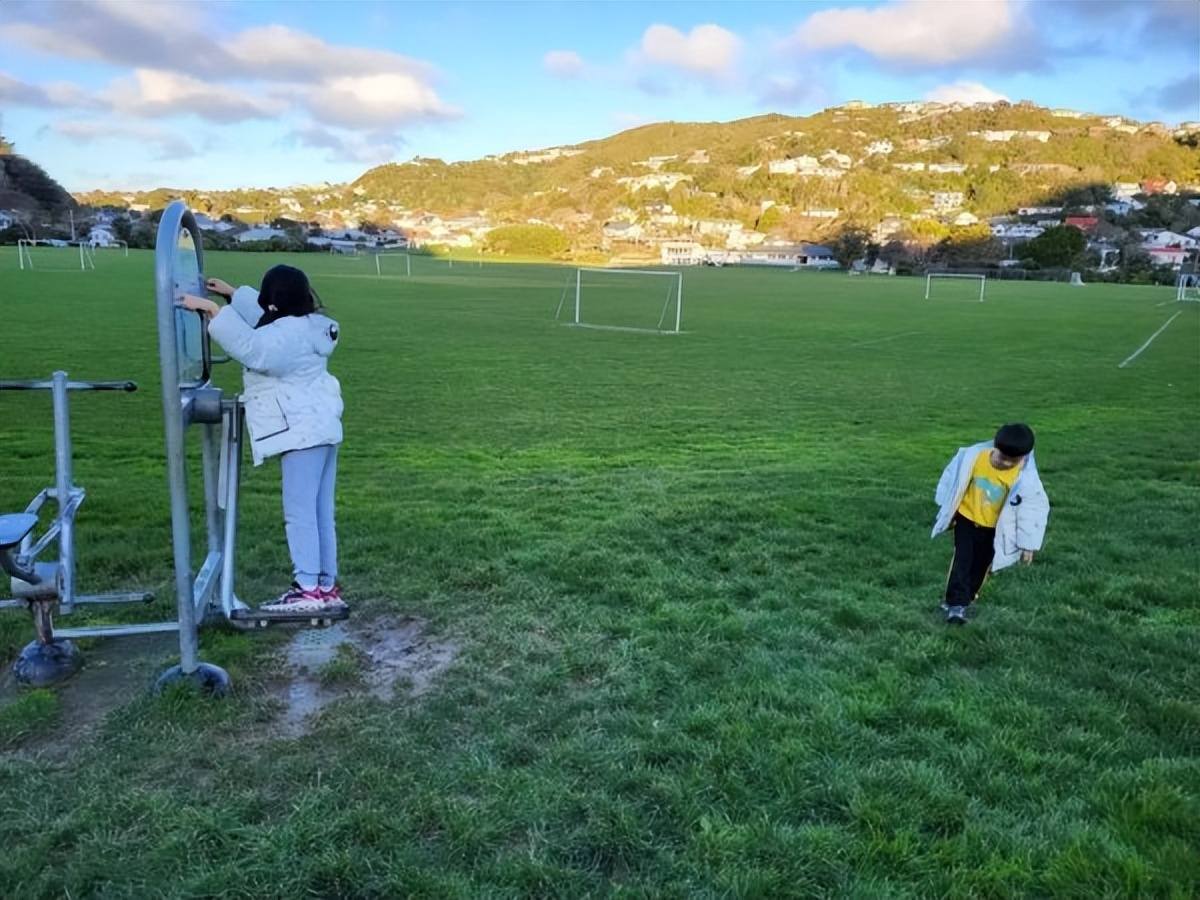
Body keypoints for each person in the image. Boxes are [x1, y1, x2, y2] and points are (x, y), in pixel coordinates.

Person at [180, 265, 346, 613]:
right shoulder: (309, 326)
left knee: (299, 513)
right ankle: (325, 587)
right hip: (323, 428)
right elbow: (272, 325)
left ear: (274, 301)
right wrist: (233, 295)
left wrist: (212, 311)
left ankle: (307, 590)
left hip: (302, 433)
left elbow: (255, 348)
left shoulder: (286, 336)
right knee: (319, 512)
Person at [931, 423, 1049, 625]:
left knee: (981, 565)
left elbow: (1032, 510)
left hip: (994, 529)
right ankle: (955, 604)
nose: (1006, 464)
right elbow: (952, 479)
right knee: (963, 560)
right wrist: (946, 507)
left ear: (1024, 457)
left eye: (1014, 461)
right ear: (995, 446)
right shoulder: (973, 458)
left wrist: (1028, 543)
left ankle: (968, 597)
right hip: (966, 520)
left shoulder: (1025, 480)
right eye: (1002, 458)